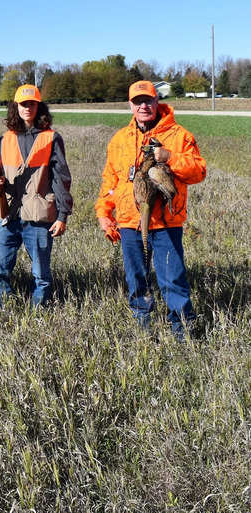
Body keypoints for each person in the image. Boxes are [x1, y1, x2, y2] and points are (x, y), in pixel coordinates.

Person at [95, 80, 206, 337]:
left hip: (166, 223)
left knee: (173, 280)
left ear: (157, 102)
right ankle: (143, 329)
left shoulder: (179, 136)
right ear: (130, 105)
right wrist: (103, 212)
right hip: (129, 222)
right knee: (137, 280)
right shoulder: (120, 139)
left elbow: (199, 171)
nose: (143, 106)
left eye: (148, 100)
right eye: (137, 101)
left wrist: (169, 157)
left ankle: (182, 333)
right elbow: (110, 180)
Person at [0, 84, 73, 308]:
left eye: (32, 104)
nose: (27, 108)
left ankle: (38, 318)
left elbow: (61, 178)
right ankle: (7, 313)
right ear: (16, 107)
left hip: (38, 217)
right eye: (23, 104)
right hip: (7, 216)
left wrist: (62, 215)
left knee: (42, 277)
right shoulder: (4, 139)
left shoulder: (51, 138)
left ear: (38, 106)